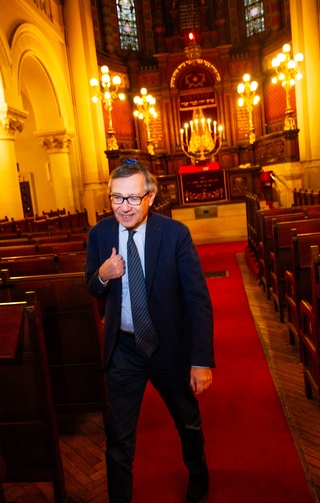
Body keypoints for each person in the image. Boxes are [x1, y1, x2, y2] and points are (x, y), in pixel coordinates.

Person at [86, 159, 214, 503]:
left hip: (167, 348)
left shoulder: (174, 234)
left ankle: (199, 476)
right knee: (119, 440)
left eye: (132, 198)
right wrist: (102, 274)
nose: (124, 208)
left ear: (151, 197)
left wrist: (200, 360)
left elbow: (198, 299)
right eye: (116, 198)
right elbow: (92, 287)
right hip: (124, 350)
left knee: (187, 423)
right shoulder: (99, 234)